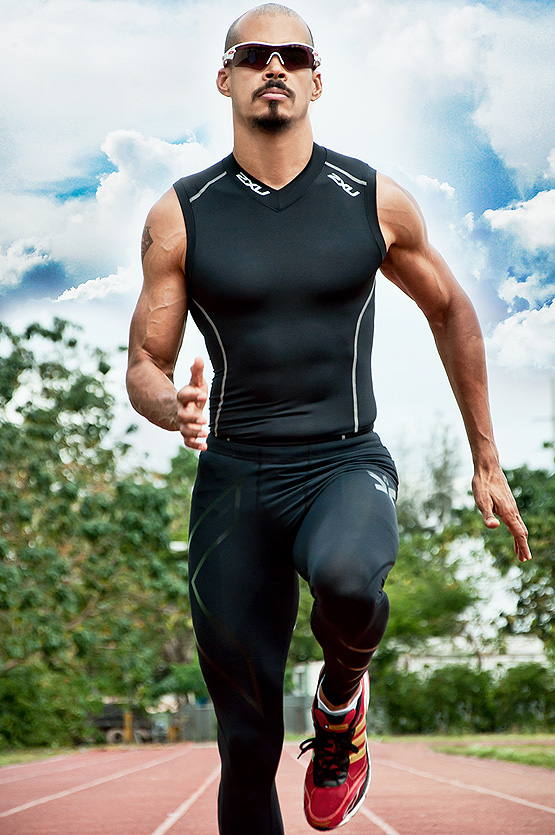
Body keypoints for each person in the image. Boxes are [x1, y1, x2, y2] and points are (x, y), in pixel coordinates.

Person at [126, 4, 531, 832]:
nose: (272, 65)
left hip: (343, 462)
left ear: (316, 79)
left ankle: (340, 708)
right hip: (233, 483)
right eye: (253, 54)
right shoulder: (180, 213)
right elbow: (144, 363)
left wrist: (485, 459)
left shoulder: (373, 200)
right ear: (225, 77)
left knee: (350, 582)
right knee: (244, 745)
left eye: (292, 55)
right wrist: (169, 404)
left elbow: (452, 310)